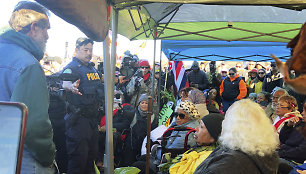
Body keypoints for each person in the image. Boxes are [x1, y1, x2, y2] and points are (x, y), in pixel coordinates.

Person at [0, 1, 56, 173]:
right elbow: (33, 128)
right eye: (46, 29)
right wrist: (49, 155)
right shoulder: (28, 64)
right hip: (21, 161)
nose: (47, 36)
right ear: (33, 27)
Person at [194, 99, 280, 174]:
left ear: (232, 126)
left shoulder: (226, 165)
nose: (223, 123)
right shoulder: (268, 155)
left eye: (226, 118)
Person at [61, 37, 104, 174]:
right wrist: (69, 86)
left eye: (91, 50)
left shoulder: (92, 69)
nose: (89, 53)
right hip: (79, 121)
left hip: (92, 121)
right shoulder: (72, 68)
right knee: (78, 160)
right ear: (76, 50)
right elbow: (63, 82)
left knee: (91, 159)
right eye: (85, 50)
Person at [159, 113, 224, 174]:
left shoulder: (205, 160)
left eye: (201, 127)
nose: (196, 129)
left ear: (213, 137)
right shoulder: (200, 149)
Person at [122, 94, 158, 166]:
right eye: (142, 103)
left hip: (144, 147)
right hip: (131, 146)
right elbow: (126, 114)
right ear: (139, 104)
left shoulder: (153, 117)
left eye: (146, 103)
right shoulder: (133, 113)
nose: (144, 105)